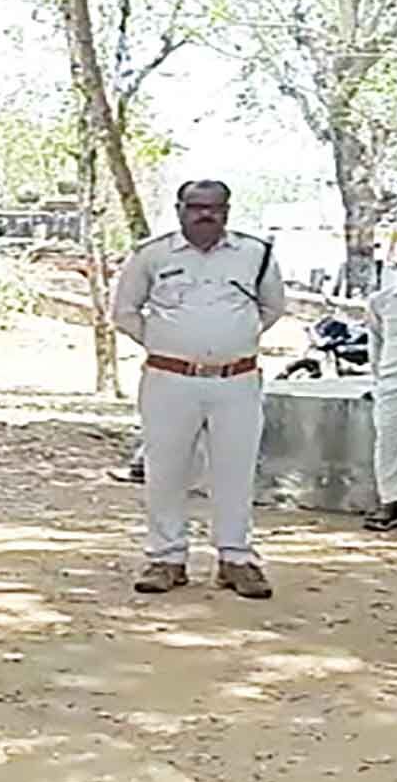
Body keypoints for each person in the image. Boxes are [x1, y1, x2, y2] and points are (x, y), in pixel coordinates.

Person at [111, 179, 285, 599]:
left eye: (214, 207)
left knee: (235, 471)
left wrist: (231, 341)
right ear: (179, 210)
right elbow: (125, 312)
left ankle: (236, 559)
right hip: (169, 381)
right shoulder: (152, 255)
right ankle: (166, 558)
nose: (205, 214)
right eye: (195, 206)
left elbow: (272, 308)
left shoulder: (255, 254)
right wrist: (168, 344)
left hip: (237, 381)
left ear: (227, 211)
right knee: (166, 471)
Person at [363, 237, 397, 531]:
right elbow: (376, 343)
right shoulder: (381, 302)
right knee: (389, 445)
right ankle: (391, 503)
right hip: (395, 383)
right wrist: (379, 380)